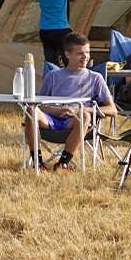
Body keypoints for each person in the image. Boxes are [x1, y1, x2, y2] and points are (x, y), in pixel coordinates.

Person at [23, 34, 114, 170]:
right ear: (67, 54)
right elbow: (39, 104)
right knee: (30, 111)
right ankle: (38, 162)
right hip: (51, 119)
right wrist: (56, 111)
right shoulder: (53, 76)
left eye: (87, 53)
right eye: (80, 54)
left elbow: (112, 110)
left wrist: (80, 110)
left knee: (85, 116)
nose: (85, 57)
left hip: (76, 121)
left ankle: (63, 162)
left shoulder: (95, 78)